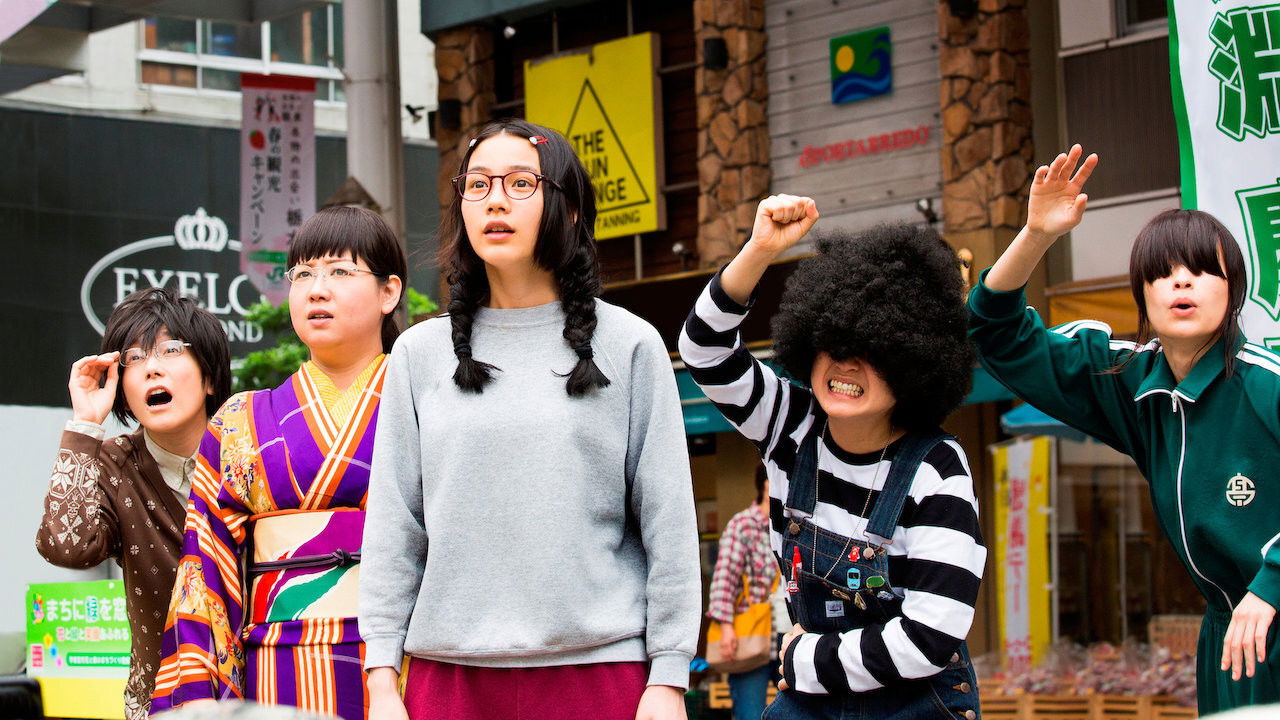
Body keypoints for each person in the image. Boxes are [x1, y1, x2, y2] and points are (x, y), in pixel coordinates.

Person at [358, 119, 701, 720]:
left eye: (520, 183)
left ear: (566, 211)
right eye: (478, 183)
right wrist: (381, 674)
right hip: (449, 679)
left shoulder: (631, 344)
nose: (494, 199)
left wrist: (669, 677)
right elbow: (394, 525)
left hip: (602, 674)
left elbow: (668, 524)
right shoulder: (419, 353)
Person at [968, 145, 1280, 714]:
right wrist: (1036, 234)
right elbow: (996, 334)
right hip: (1231, 639)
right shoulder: (1130, 381)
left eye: (1202, 270)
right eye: (1162, 274)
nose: (1181, 283)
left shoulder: (1267, 385)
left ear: (1232, 288)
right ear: (1142, 294)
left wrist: (1271, 584)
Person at [679, 196, 986, 720]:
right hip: (811, 704)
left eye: (875, 352)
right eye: (834, 344)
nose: (845, 364)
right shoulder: (789, 426)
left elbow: (932, 633)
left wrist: (805, 660)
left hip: (914, 705)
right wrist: (758, 251)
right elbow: (704, 349)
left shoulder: (937, 468)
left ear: (915, 364)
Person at [150, 206, 407, 720]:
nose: (316, 289)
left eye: (339, 271)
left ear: (389, 292)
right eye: (303, 274)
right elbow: (206, 573)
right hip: (276, 666)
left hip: (405, 662)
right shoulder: (240, 420)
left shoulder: (426, 404)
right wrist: (199, 694)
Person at [36, 288, 231, 720]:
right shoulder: (112, 462)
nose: (151, 368)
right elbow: (66, 548)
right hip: (160, 700)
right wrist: (85, 424)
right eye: (134, 359)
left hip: (261, 691)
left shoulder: (251, 451)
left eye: (169, 350)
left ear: (210, 376)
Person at [707, 465, 779, 720]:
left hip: (790, 635)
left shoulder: (795, 523)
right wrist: (726, 627)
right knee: (750, 713)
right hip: (749, 633)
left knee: (802, 710)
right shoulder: (743, 525)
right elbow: (725, 578)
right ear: (764, 486)